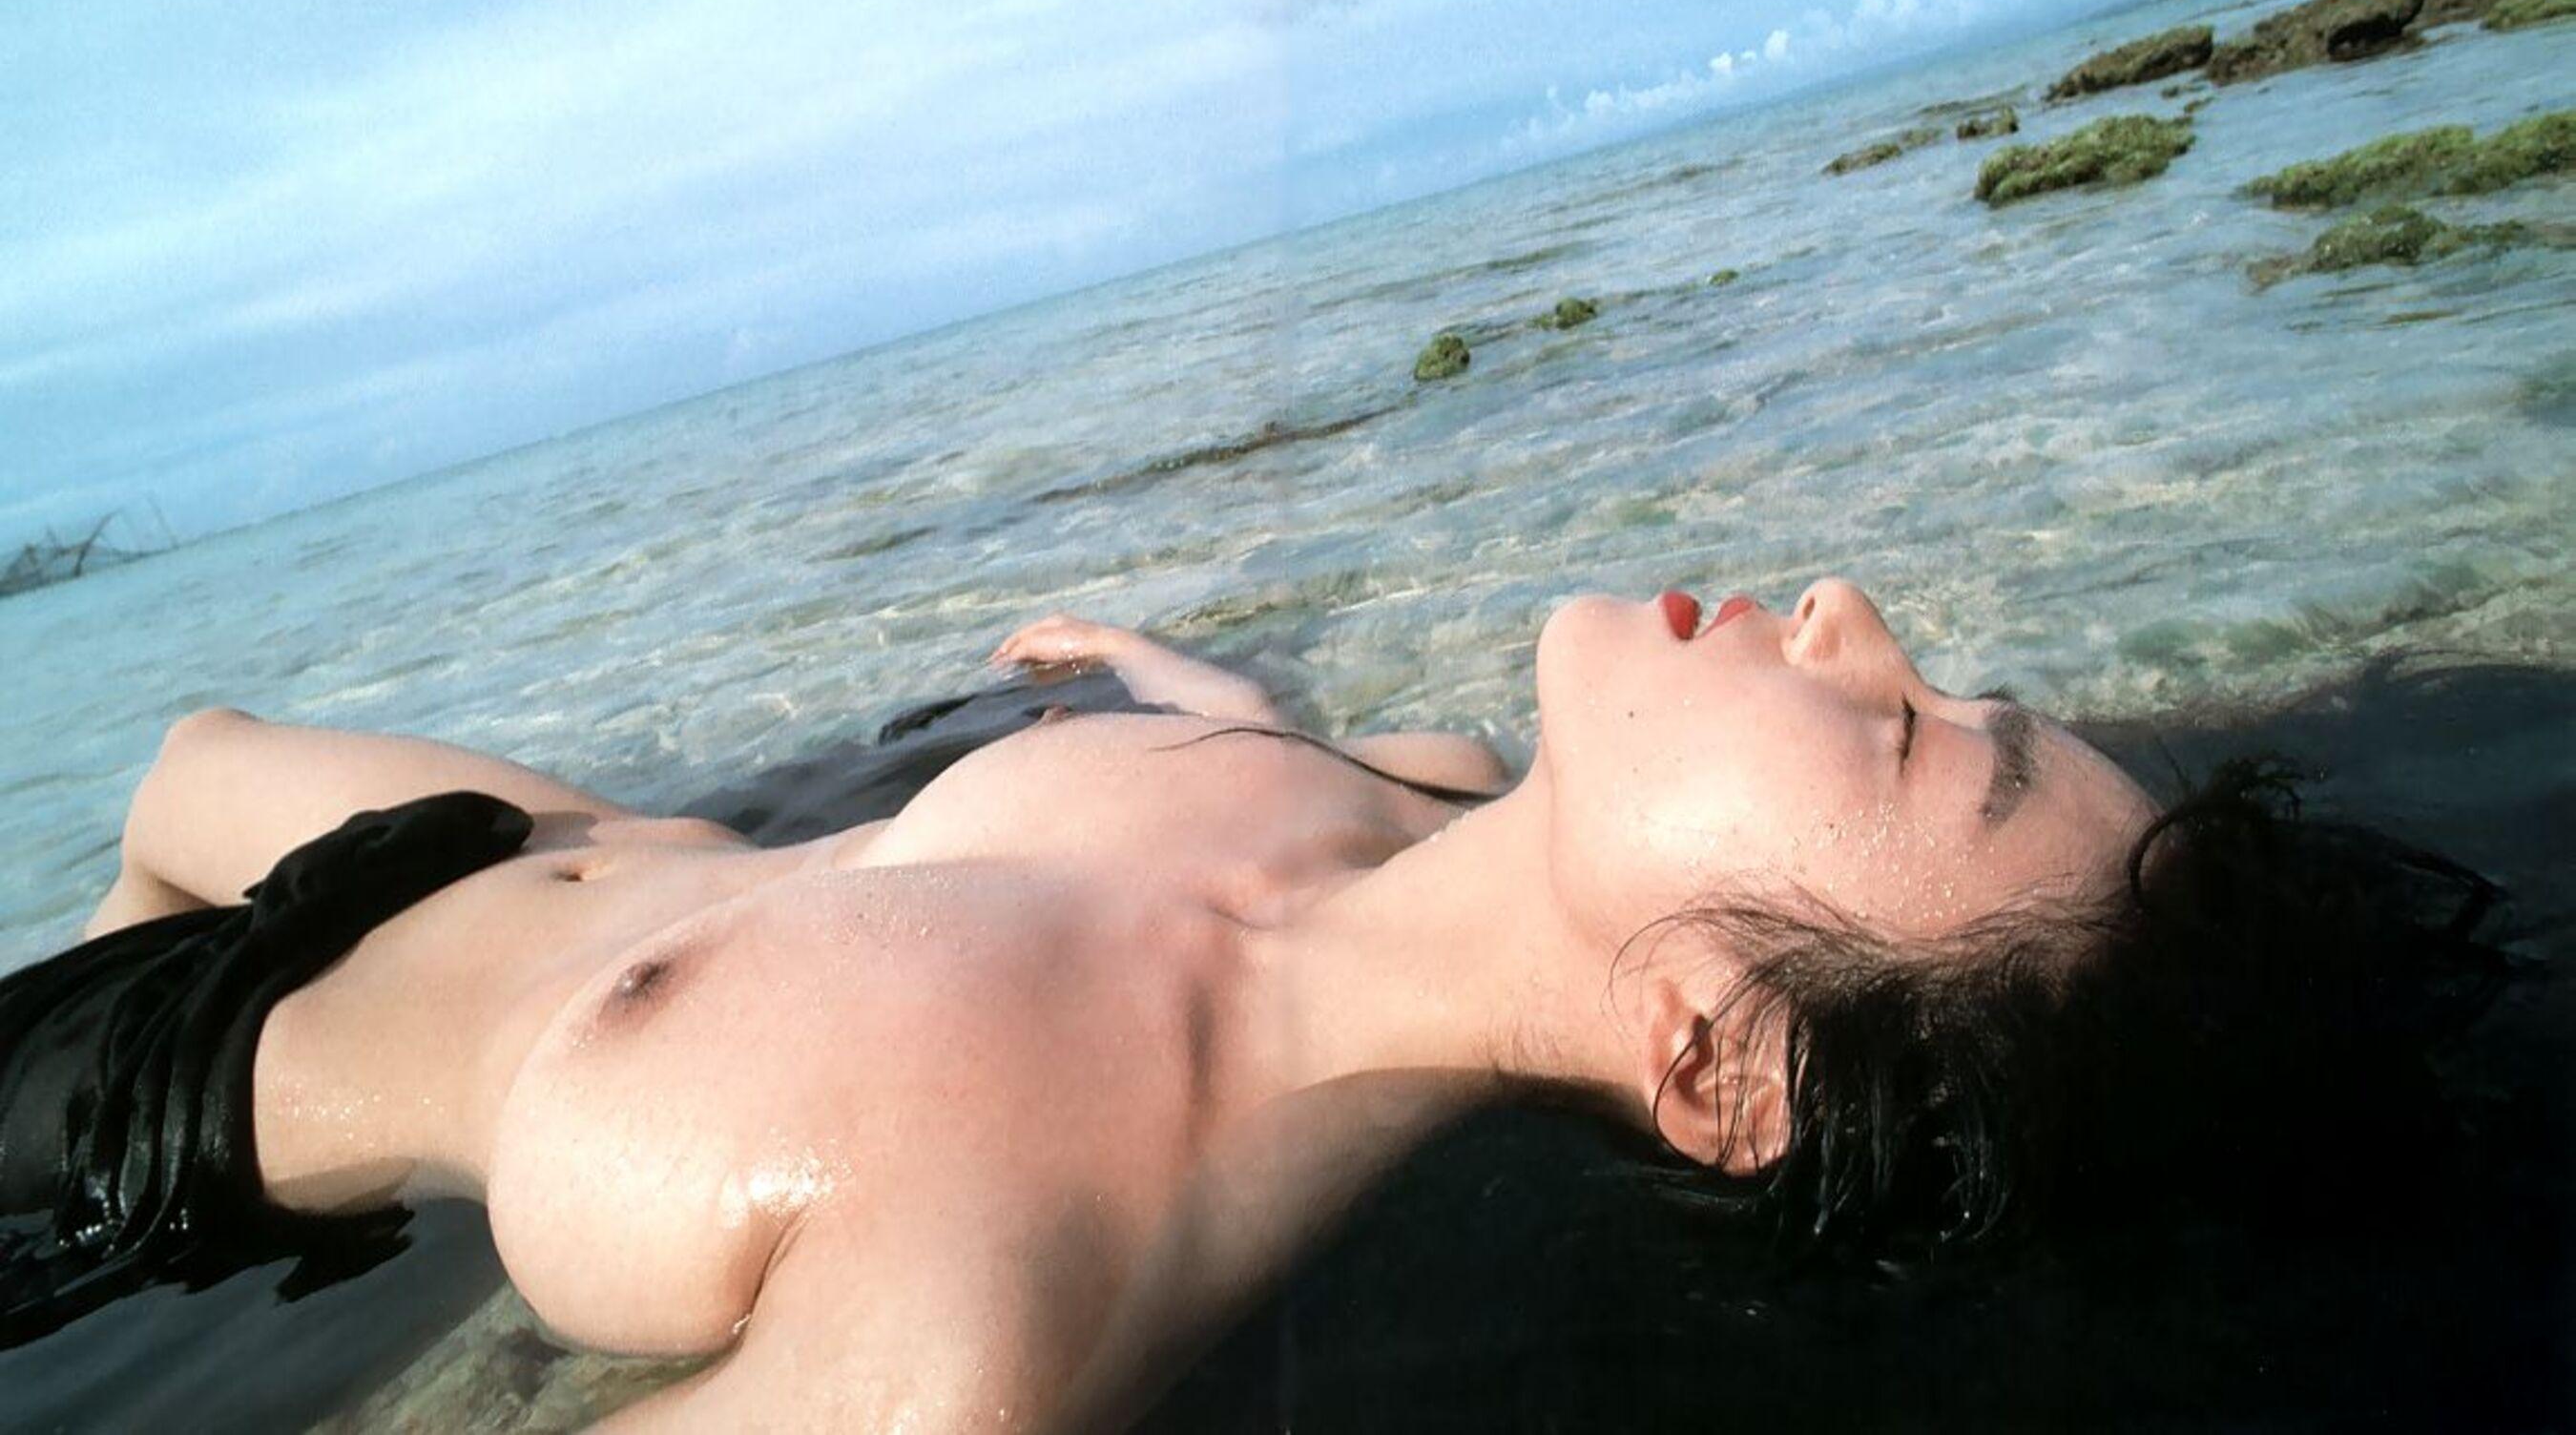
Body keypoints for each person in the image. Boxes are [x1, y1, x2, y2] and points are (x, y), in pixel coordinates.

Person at [0, 579, 2506, 1430]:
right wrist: (1155, 670)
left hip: (174, 1097)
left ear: (1713, 1054)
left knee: (156, 823)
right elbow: (1243, 773)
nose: (1852, 618)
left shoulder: (995, 1304)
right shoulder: (1407, 799)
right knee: (185, 748)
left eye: (1908, 740)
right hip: (541, 839)